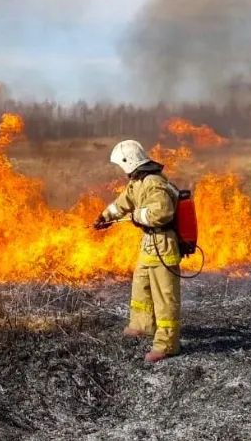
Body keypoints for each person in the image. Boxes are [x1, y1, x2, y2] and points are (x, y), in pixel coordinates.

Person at [94, 139, 182, 363]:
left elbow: (163, 213)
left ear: (128, 161)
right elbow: (124, 202)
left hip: (163, 243)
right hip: (150, 242)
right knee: (141, 284)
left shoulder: (153, 182)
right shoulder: (138, 181)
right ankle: (143, 324)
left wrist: (137, 216)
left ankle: (167, 344)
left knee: (164, 296)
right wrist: (106, 216)